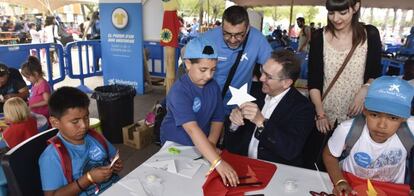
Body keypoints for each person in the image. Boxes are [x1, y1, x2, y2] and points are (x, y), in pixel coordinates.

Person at [160, 37, 239, 187]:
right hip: (176, 145)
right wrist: (217, 161)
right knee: (178, 185)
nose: (209, 75)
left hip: (201, 144)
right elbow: (191, 129)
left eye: (213, 70)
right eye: (203, 70)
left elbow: (218, 118)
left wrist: (210, 144)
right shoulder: (179, 91)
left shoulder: (213, 86)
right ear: (188, 64)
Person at [322, 76, 414, 195]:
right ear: (365, 110)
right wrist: (340, 181)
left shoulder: (410, 128)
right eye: (374, 115)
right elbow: (329, 154)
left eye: (393, 118)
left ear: (404, 118)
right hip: (352, 185)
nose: (381, 125)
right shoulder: (347, 130)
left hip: (391, 189)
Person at [225, 50, 315, 167]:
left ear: (286, 83)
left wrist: (261, 122)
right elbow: (231, 143)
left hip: (277, 172)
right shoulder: (253, 91)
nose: (261, 78)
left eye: (269, 76)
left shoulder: (303, 108)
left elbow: (290, 150)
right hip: (243, 165)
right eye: (262, 71)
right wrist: (234, 124)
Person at [308, 0, 382, 133]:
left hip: (357, 116)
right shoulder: (319, 37)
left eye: (342, 12)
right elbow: (314, 81)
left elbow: (375, 73)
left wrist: (364, 90)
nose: (336, 19)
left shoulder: (370, 35)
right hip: (325, 115)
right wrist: (320, 114)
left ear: (355, 7)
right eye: (331, 13)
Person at [39, 87, 122, 195]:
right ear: (55, 122)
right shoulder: (51, 157)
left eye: (86, 117)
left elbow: (113, 155)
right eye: (75, 121)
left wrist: (115, 164)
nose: (84, 125)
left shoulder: (95, 137)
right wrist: (88, 179)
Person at [201, 5, 272, 114]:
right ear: (222, 27)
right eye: (227, 34)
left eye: (239, 35)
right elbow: (189, 63)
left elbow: (272, 66)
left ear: (248, 28)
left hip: (237, 107)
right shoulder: (207, 39)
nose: (233, 40)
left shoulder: (258, 39)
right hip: (207, 103)